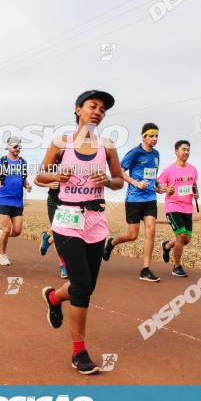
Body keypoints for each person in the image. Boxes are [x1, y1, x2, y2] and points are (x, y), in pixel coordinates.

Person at [37, 90, 124, 375]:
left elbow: (119, 181)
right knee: (83, 285)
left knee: (86, 285)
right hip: (66, 218)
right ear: (78, 110)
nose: (97, 111)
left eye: (102, 109)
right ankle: (79, 352)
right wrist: (55, 176)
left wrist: (107, 181)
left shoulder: (107, 146)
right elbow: (40, 176)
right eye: (92, 106)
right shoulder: (62, 143)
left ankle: (53, 298)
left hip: (96, 220)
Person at [104, 123, 164, 282]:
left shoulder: (156, 154)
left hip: (150, 198)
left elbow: (152, 175)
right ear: (143, 136)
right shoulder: (135, 153)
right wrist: (136, 183)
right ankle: (112, 241)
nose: (154, 139)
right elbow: (120, 172)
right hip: (134, 199)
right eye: (151, 136)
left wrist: (158, 186)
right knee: (132, 235)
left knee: (151, 231)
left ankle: (145, 269)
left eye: (156, 136)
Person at [159, 140, 199, 278]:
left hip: (187, 208)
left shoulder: (193, 169)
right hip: (173, 206)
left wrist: (196, 193)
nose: (186, 152)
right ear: (176, 151)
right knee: (181, 236)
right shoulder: (169, 170)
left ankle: (167, 246)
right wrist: (165, 189)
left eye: (188, 150)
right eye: (183, 149)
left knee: (186, 240)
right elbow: (157, 185)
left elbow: (194, 184)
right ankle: (177, 266)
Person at [0, 136, 32, 266]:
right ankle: (2, 255)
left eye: (19, 147)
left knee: (17, 231)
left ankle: (2, 234)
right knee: (6, 228)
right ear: (9, 147)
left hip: (17, 201)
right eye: (15, 147)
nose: (18, 149)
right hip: (3, 199)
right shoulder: (1, 162)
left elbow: (23, 179)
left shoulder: (23, 163)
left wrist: (28, 185)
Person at [35, 172, 68, 279]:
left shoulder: (74, 162)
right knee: (60, 234)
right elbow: (36, 180)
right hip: (54, 201)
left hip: (69, 203)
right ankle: (63, 265)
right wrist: (48, 185)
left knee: (68, 232)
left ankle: (47, 240)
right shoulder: (52, 162)